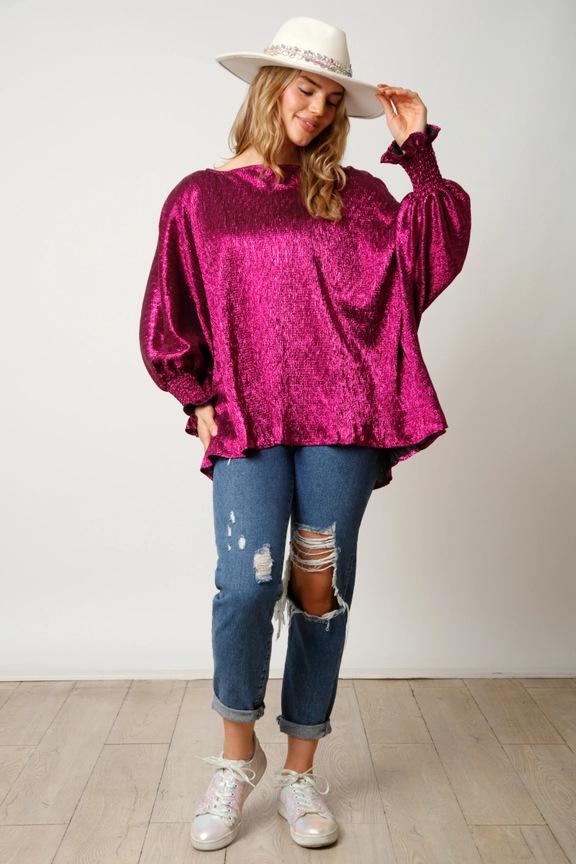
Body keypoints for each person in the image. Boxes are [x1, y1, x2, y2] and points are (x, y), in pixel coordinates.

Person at [139, 15, 471, 853]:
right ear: (269, 89)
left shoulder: (356, 196)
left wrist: (418, 153)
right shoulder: (199, 198)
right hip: (248, 419)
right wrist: (192, 392)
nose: (317, 109)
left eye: (330, 98)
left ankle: (298, 772)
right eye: (305, 89)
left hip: (342, 419)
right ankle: (236, 759)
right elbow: (170, 303)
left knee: (319, 595)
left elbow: (429, 255)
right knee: (245, 587)